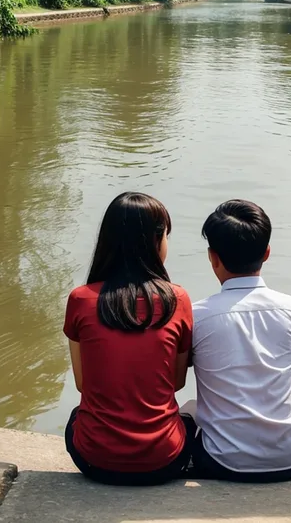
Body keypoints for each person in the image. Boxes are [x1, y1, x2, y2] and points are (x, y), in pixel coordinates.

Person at [191, 199, 291, 482]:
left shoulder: (197, 315)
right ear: (267, 253)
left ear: (213, 257)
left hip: (219, 463)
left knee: (190, 409)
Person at [64, 192, 195, 486]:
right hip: (164, 461)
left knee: (77, 415)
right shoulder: (178, 299)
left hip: (94, 460)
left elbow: (83, 384)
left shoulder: (80, 299)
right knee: (190, 416)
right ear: (156, 241)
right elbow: (176, 383)